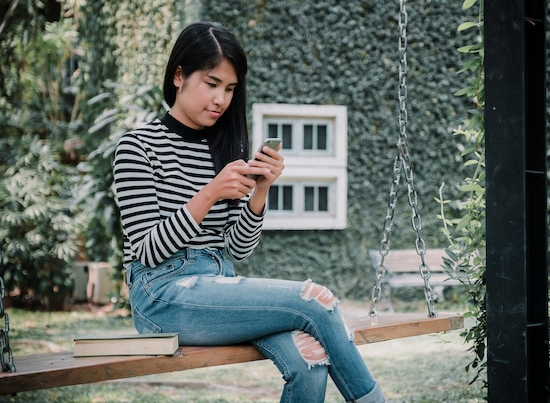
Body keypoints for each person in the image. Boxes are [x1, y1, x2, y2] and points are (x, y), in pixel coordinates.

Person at [113, 21, 385, 403]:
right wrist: (209, 193)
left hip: (219, 285)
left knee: (310, 359)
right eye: (211, 83)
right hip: (161, 296)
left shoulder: (223, 148)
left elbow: (237, 250)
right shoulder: (137, 147)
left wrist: (261, 190)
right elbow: (148, 250)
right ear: (179, 75)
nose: (220, 100)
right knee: (316, 300)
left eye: (229, 89)